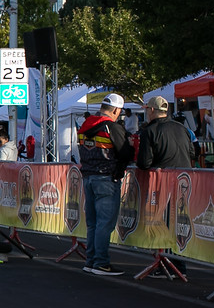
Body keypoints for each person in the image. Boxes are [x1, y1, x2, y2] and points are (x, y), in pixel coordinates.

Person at [136, 95, 195, 275]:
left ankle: (169, 266)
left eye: (147, 109)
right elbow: (192, 152)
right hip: (184, 183)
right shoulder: (181, 128)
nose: (146, 112)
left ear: (152, 110)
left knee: (163, 225)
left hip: (163, 183)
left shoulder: (150, 130)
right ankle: (177, 266)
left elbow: (144, 162)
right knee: (177, 225)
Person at [75, 94, 133, 277]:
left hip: (88, 176)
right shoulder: (112, 127)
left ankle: (91, 260)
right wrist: (130, 146)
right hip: (106, 178)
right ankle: (100, 262)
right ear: (116, 110)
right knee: (104, 224)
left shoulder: (84, 126)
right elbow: (125, 153)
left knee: (93, 223)